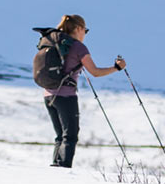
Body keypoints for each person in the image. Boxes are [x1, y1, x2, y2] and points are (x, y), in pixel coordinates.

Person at [39, 14, 125, 168]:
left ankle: (56, 166)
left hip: (48, 94)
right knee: (70, 135)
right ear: (78, 28)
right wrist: (116, 68)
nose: (85, 33)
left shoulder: (54, 41)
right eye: (85, 30)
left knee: (60, 135)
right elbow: (95, 72)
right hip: (66, 96)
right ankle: (63, 168)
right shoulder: (78, 47)